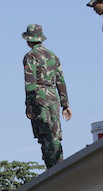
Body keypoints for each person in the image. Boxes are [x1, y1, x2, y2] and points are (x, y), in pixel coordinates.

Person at [21, 24, 72, 168]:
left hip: (39, 96)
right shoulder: (53, 56)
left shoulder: (30, 56)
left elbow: (30, 81)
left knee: (44, 135)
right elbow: (60, 80)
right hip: (53, 96)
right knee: (55, 135)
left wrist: (29, 104)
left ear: (29, 40)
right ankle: (60, 164)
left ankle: (52, 168)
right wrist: (65, 104)